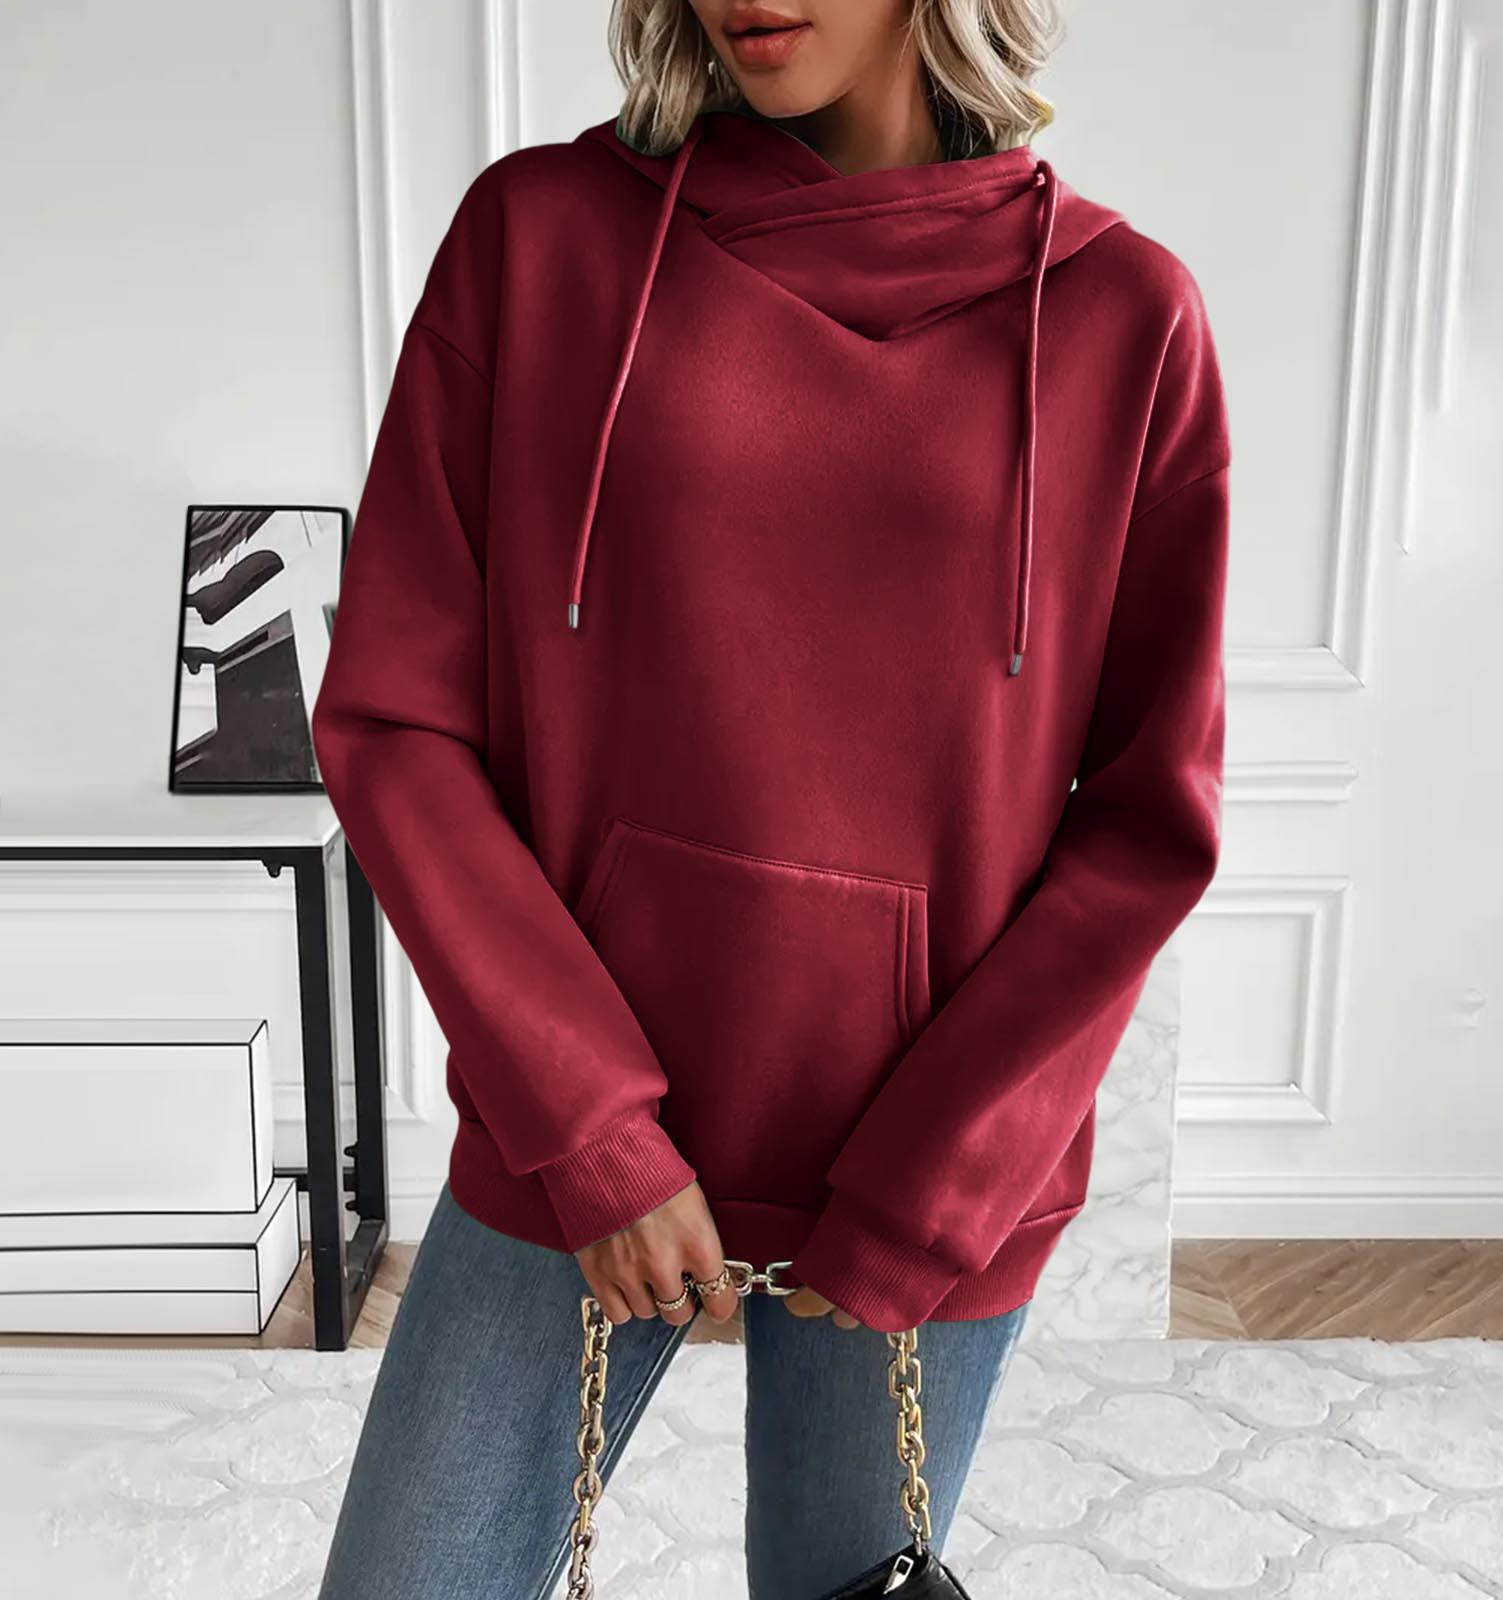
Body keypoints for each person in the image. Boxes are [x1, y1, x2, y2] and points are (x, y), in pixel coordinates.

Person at [311, 0, 1230, 1594]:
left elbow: (1150, 820)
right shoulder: (539, 241)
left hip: (921, 1161)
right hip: (574, 1128)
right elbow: (397, 718)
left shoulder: (1123, 317)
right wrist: (594, 1136)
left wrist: (931, 1192)